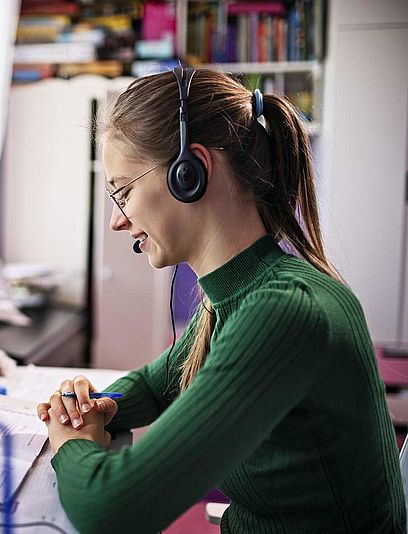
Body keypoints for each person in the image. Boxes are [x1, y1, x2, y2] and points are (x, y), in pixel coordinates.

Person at [36, 68, 406, 533]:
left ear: (189, 172)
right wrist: (94, 407)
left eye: (124, 191)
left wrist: (69, 442)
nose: (117, 220)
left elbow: (108, 510)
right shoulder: (236, 293)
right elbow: (155, 385)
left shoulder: (283, 311)